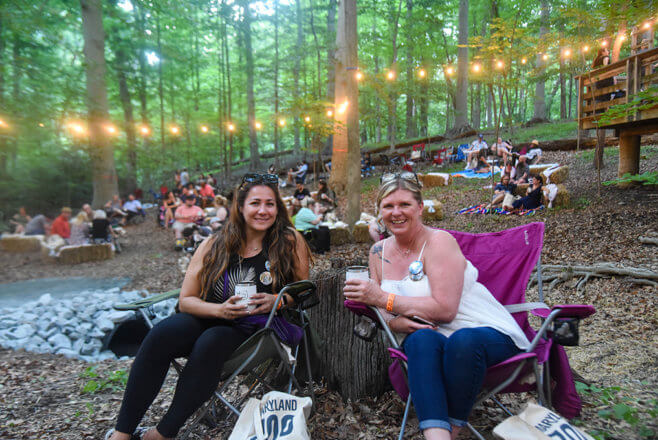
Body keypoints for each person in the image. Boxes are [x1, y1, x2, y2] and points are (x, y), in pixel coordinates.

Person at [105, 173, 311, 440]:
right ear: (240, 207)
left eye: (270, 204)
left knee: (211, 340)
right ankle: (121, 434)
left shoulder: (289, 240)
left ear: (278, 208)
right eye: (255, 203)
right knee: (162, 333)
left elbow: (302, 288)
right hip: (211, 314)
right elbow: (186, 300)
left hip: (257, 327)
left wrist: (278, 300)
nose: (263, 210)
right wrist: (219, 310)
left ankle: (162, 433)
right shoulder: (214, 243)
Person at [343, 173, 528, 440]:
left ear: (420, 207)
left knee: (462, 341)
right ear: (379, 211)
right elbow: (382, 312)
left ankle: (449, 432)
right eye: (388, 206)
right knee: (420, 341)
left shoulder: (439, 242)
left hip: (480, 330)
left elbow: (445, 310)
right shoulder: (378, 252)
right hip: (428, 335)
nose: (396, 213)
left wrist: (383, 299)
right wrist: (394, 322)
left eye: (405, 204)